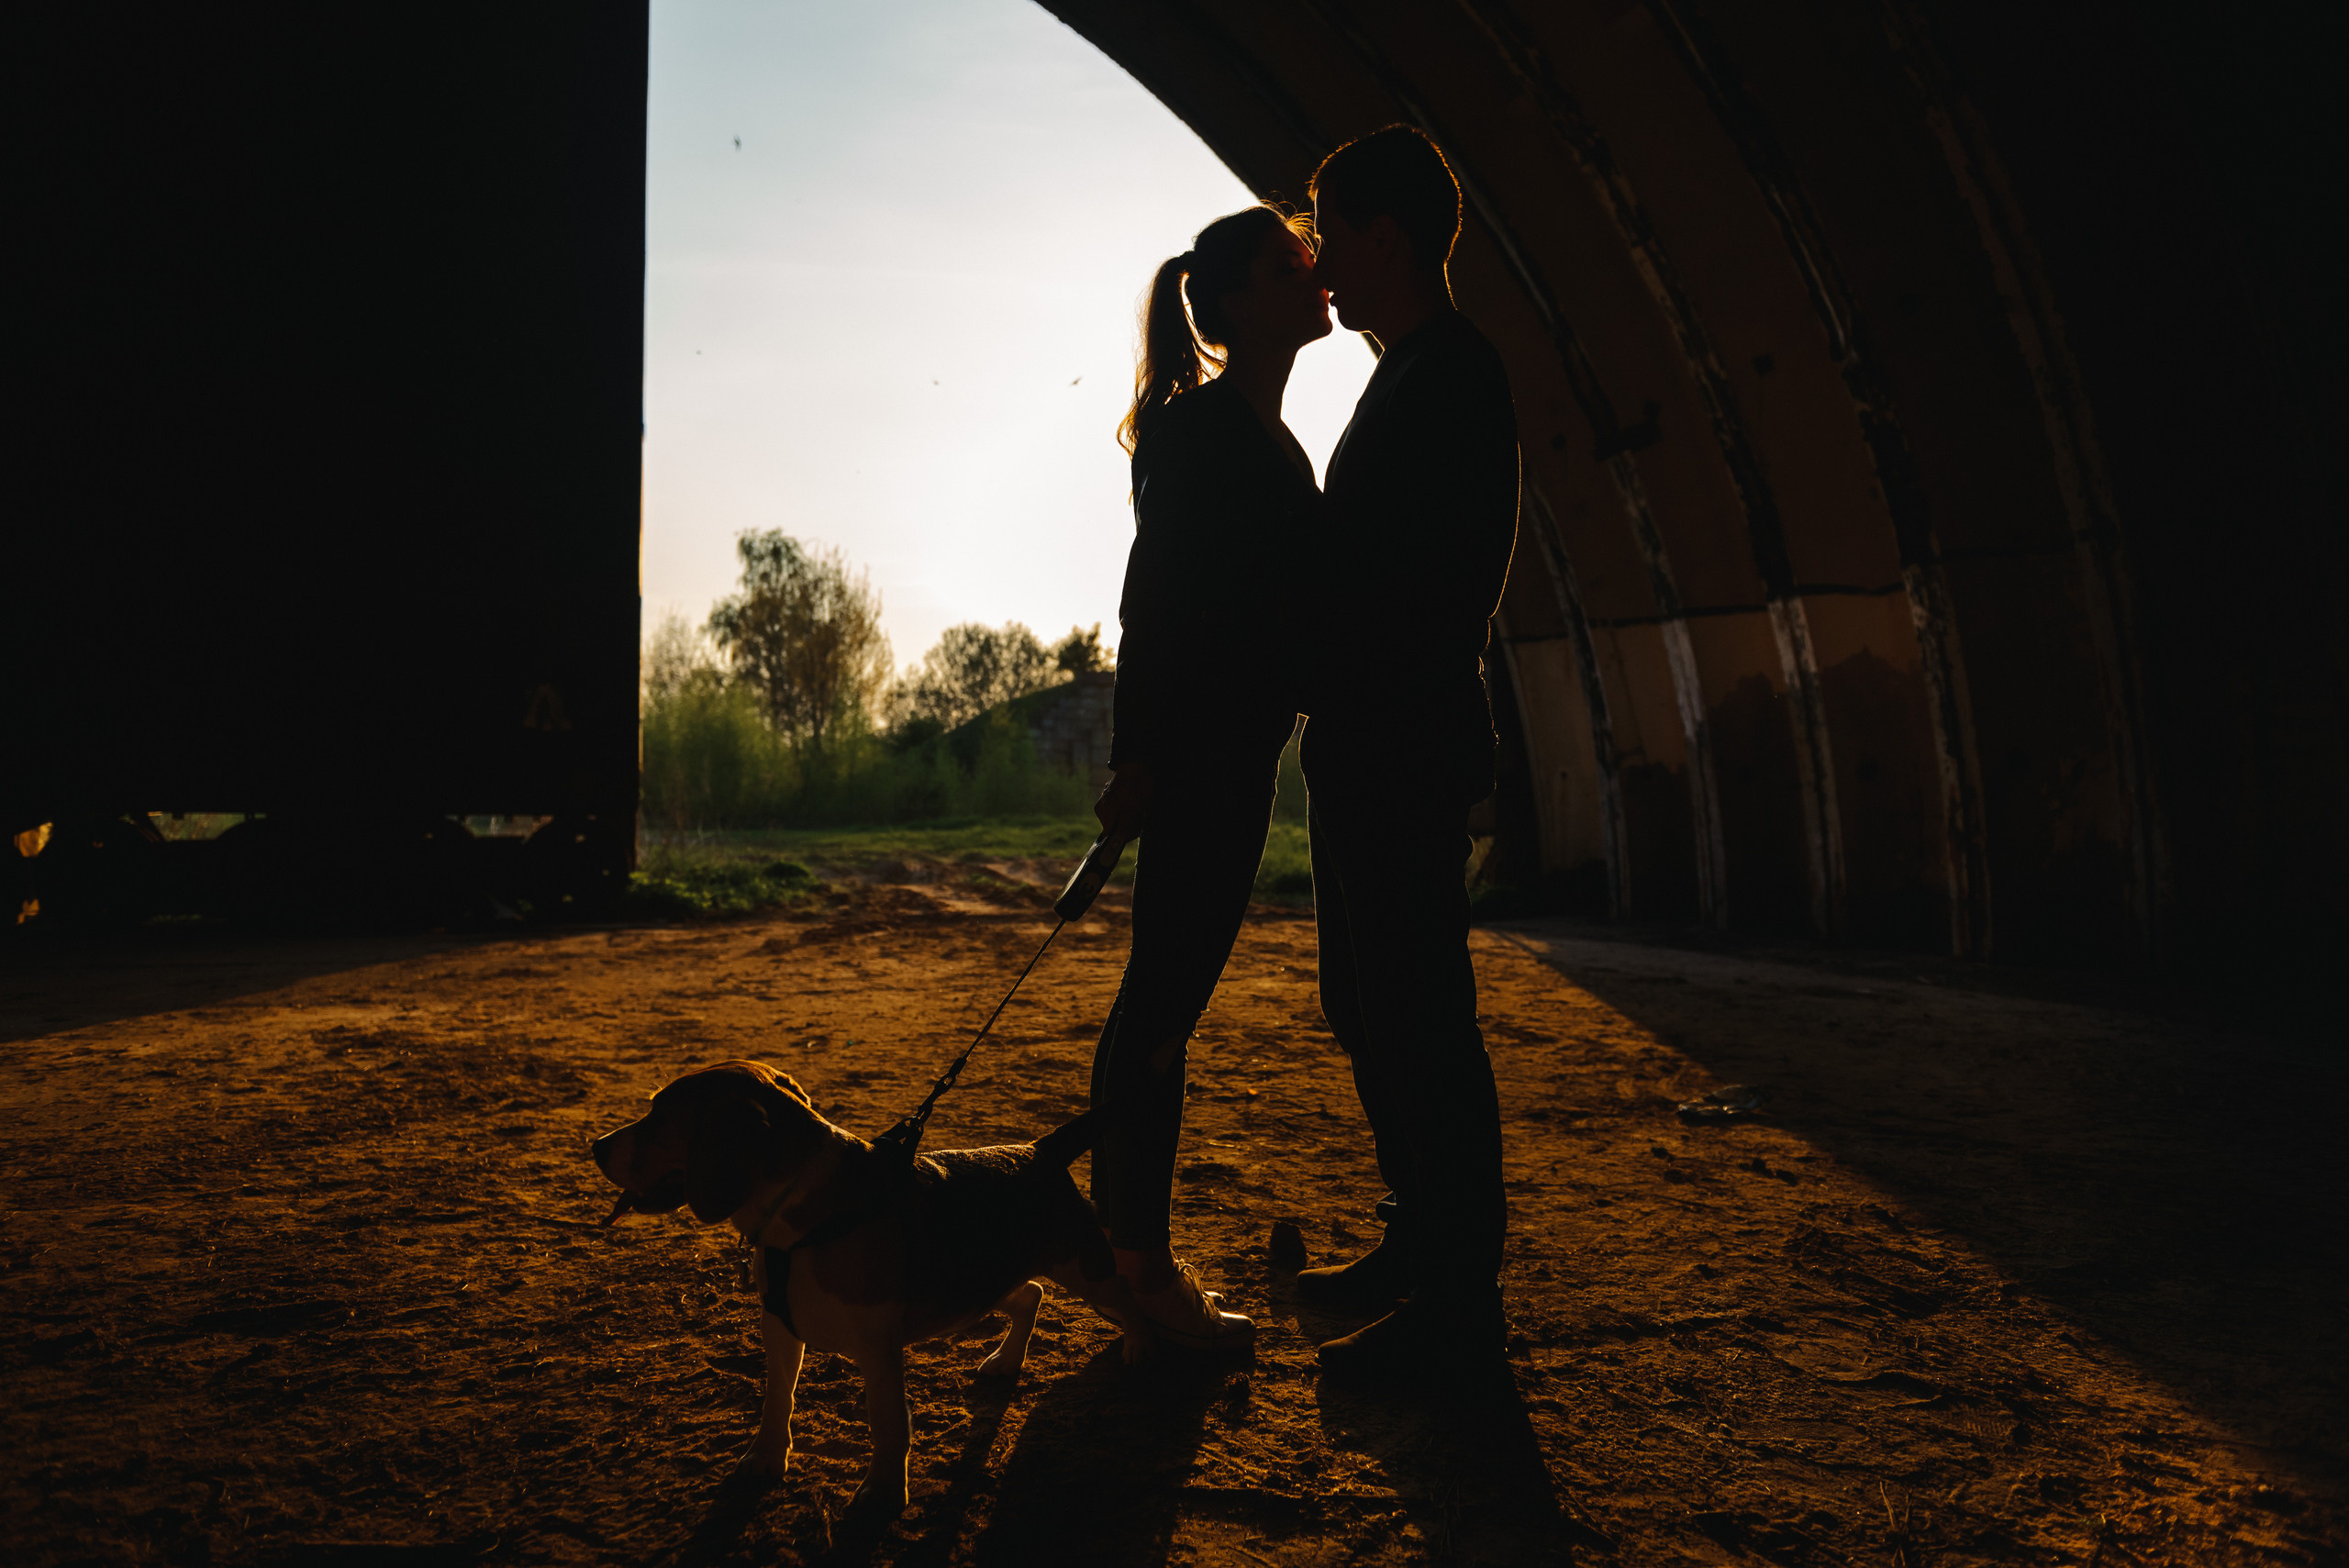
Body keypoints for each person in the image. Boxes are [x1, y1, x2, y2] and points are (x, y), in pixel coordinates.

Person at [1292, 126, 1521, 1373]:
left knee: (1417, 1010)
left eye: (1329, 233)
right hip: (1375, 738)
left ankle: (1452, 1296)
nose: (1320, 262)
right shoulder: (1412, 374)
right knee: (1371, 1001)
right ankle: (1420, 1238)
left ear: (1383, 237)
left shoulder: (1447, 380)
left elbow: (1411, 586)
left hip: (1402, 738)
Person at [1087, 204, 1332, 1351]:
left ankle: (1131, 1259)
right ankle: (1139, 1272)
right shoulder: (1202, 435)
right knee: (1160, 1008)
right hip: (1197, 758)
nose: (1317, 276)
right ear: (1234, 302)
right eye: (1293, 266)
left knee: (1163, 1003)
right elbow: (1155, 608)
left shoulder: (1257, 432)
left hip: (1228, 751)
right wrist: (1139, 757)